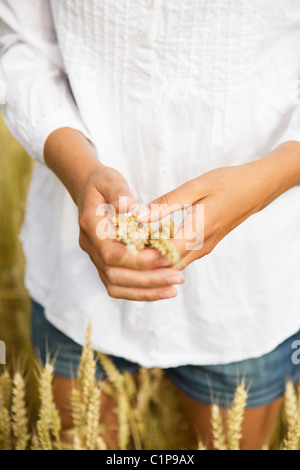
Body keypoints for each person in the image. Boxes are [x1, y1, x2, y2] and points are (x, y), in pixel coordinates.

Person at [1, 0, 300, 450]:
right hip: (75, 267)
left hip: (246, 282)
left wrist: (265, 181)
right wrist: (80, 171)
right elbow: (20, 45)